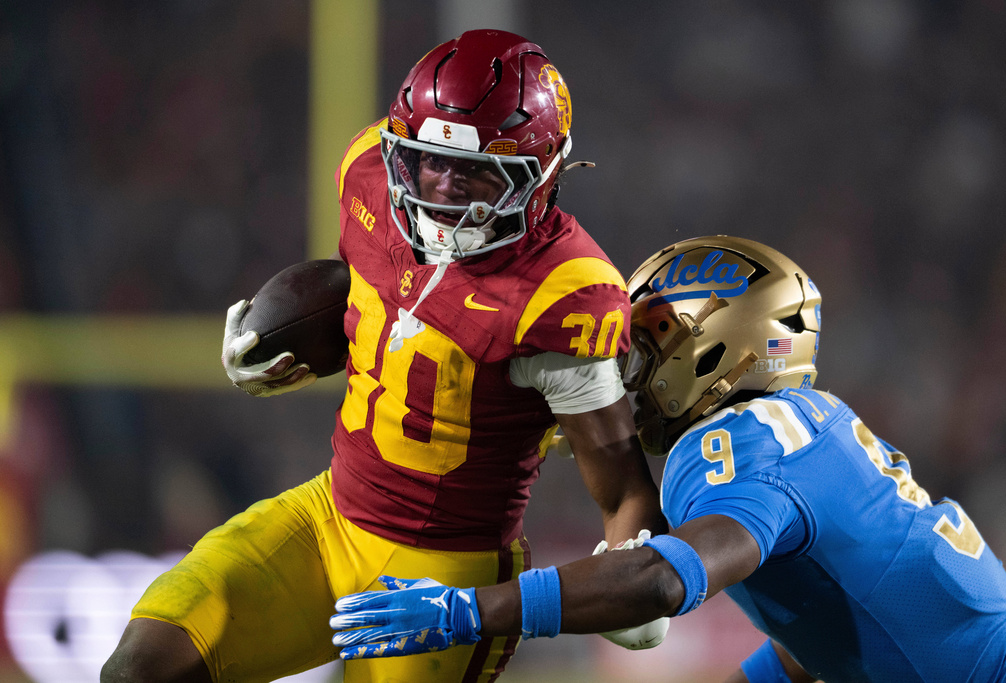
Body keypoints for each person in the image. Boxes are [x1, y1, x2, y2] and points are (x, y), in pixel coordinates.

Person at [100, 29, 667, 683]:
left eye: (478, 171)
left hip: (446, 574)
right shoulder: (369, 170)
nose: (443, 189)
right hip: (326, 518)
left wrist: (633, 575)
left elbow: (622, 486)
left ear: (544, 175)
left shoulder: (564, 294)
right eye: (430, 162)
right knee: (141, 667)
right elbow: (378, 304)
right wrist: (283, 343)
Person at [329, 236, 1006, 683]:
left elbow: (661, 580)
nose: (630, 372)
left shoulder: (739, 441)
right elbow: (828, 609)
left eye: (651, 343)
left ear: (715, 344)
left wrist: (470, 611)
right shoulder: (799, 427)